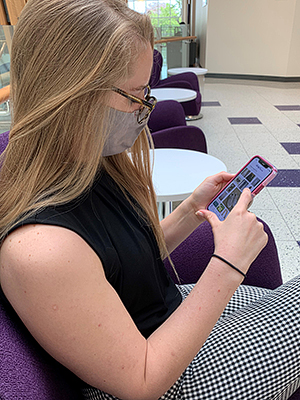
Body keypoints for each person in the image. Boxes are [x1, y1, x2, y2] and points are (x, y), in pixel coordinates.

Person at [0, 1, 299, 399]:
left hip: (162, 320)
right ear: (73, 93)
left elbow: (120, 260)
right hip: (157, 374)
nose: (146, 110)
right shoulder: (41, 248)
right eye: (137, 96)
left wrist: (194, 209)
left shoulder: (87, 163)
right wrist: (227, 264)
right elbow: (140, 382)